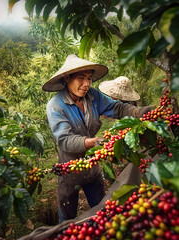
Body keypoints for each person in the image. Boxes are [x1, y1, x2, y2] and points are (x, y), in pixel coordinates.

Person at [42, 54, 152, 223]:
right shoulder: (56, 106)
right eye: (81, 78)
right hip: (69, 168)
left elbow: (116, 107)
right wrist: (94, 142)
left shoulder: (93, 96)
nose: (86, 84)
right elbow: (65, 140)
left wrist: (136, 112)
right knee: (67, 215)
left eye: (89, 78)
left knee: (101, 209)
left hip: (92, 164)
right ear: (66, 78)